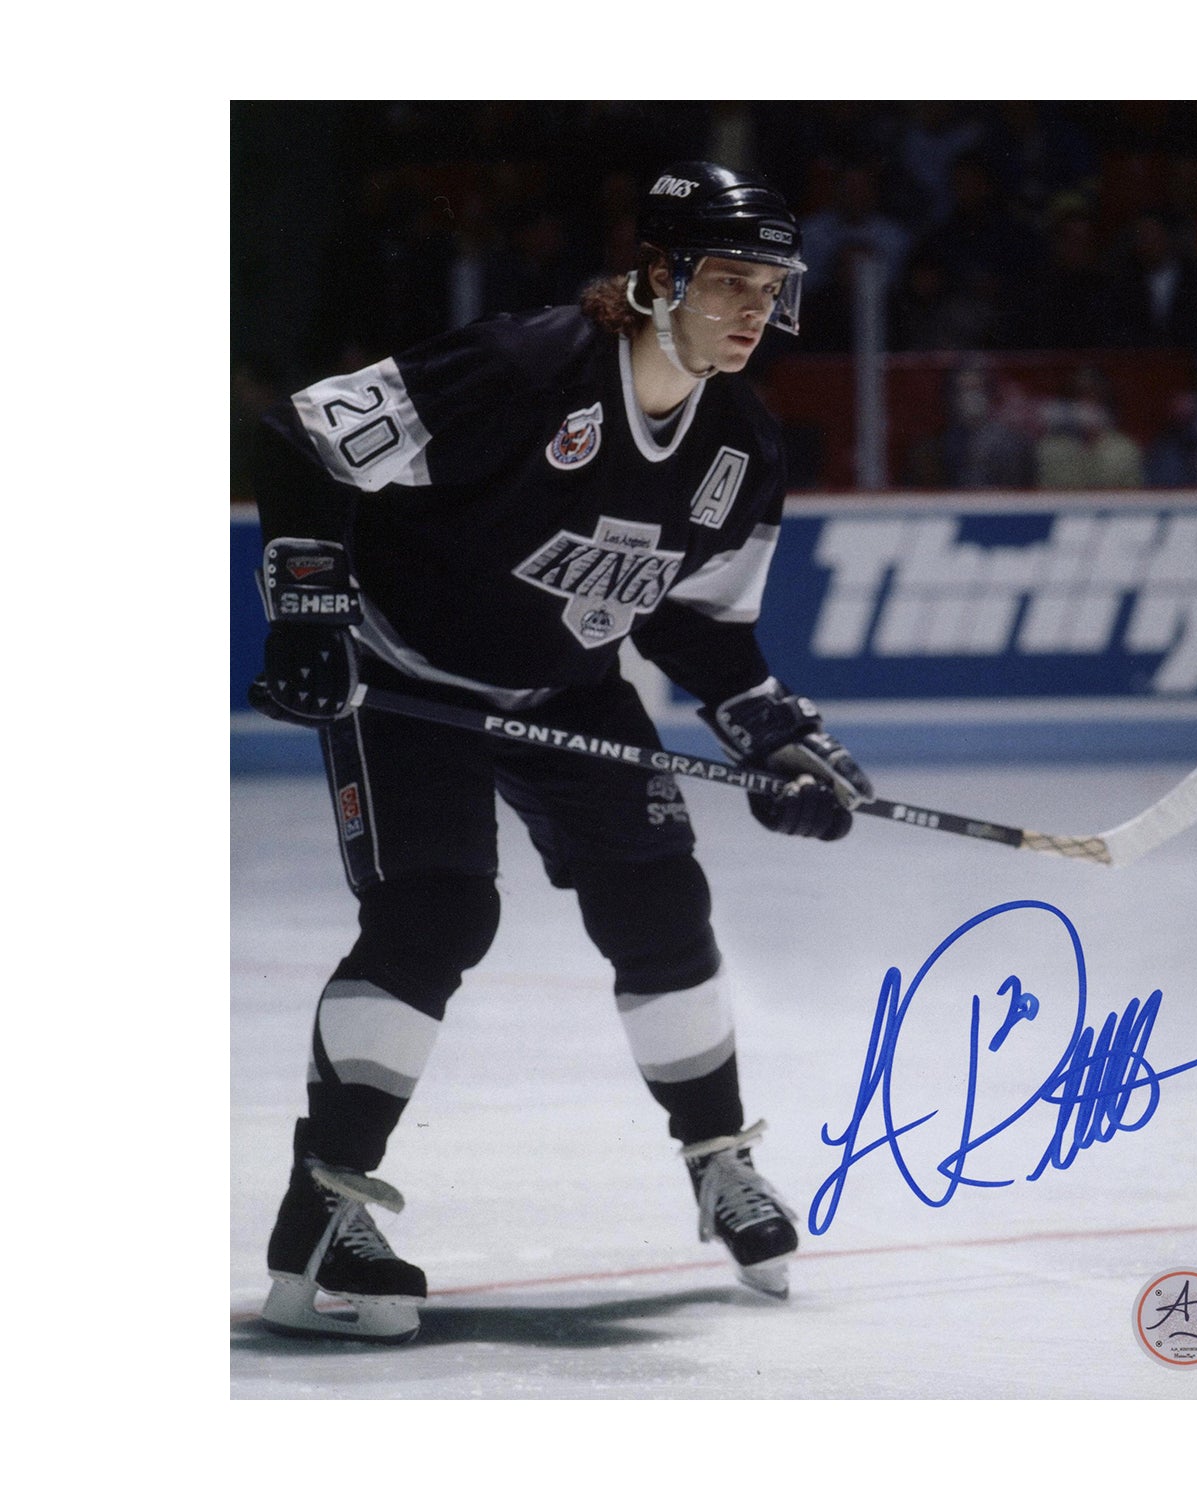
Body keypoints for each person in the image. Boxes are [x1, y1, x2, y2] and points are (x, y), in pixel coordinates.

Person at [247, 160, 875, 1343]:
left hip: (567, 687)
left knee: (661, 902)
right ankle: (322, 1209)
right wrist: (311, 611)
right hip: (408, 676)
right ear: (658, 276)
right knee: (435, 915)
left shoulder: (741, 444)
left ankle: (718, 1157)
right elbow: (301, 438)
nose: (753, 310)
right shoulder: (524, 367)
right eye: (728, 281)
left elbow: (695, 620)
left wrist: (777, 736)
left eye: (770, 288)